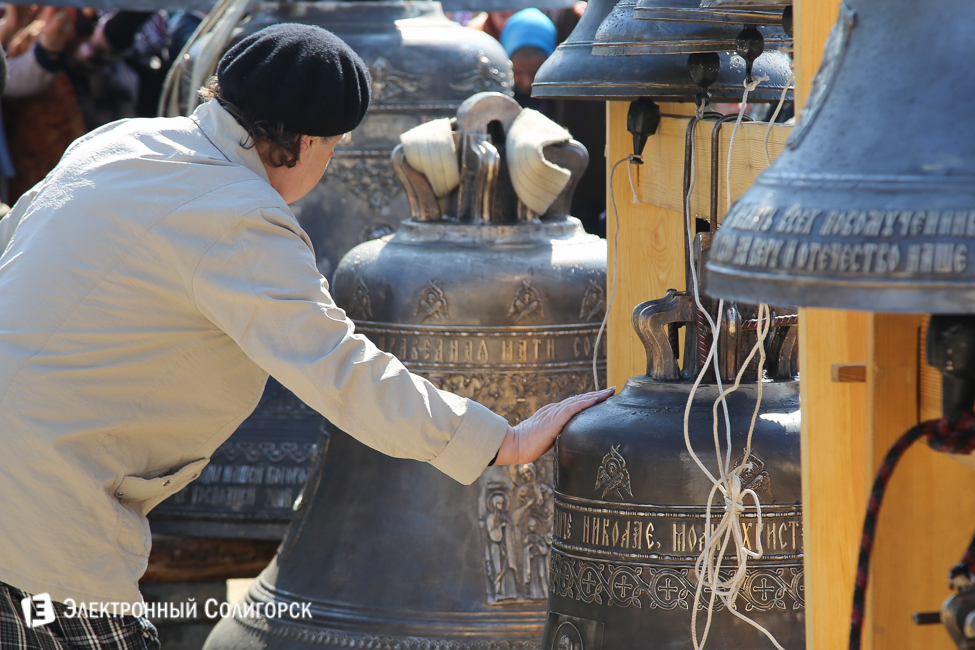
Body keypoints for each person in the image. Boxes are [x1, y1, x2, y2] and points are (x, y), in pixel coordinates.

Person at [0, 23, 612, 650]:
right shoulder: (240, 217)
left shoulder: (117, 142)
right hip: (43, 517)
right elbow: (342, 371)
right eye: (335, 149)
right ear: (308, 142)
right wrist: (499, 441)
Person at [499, 8, 556, 113]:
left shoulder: (560, 101)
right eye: (518, 73)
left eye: (535, 73)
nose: (527, 83)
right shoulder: (497, 97)